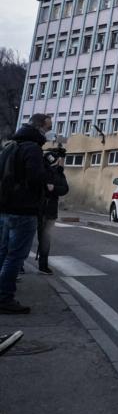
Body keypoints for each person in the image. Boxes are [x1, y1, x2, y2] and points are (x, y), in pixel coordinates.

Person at [0, 114, 54, 314]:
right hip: (23, 210)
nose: (48, 133)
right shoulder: (32, 149)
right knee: (16, 256)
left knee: (3, 252)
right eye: (47, 128)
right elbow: (35, 177)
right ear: (39, 127)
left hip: (5, 208)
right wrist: (47, 175)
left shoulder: (10, 147)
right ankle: (5, 298)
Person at [35, 142, 69, 274]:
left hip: (49, 211)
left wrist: (53, 188)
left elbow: (65, 189)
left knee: (45, 239)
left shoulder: (58, 174)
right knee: (25, 238)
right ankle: (19, 265)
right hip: (36, 209)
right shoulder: (39, 171)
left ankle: (43, 265)